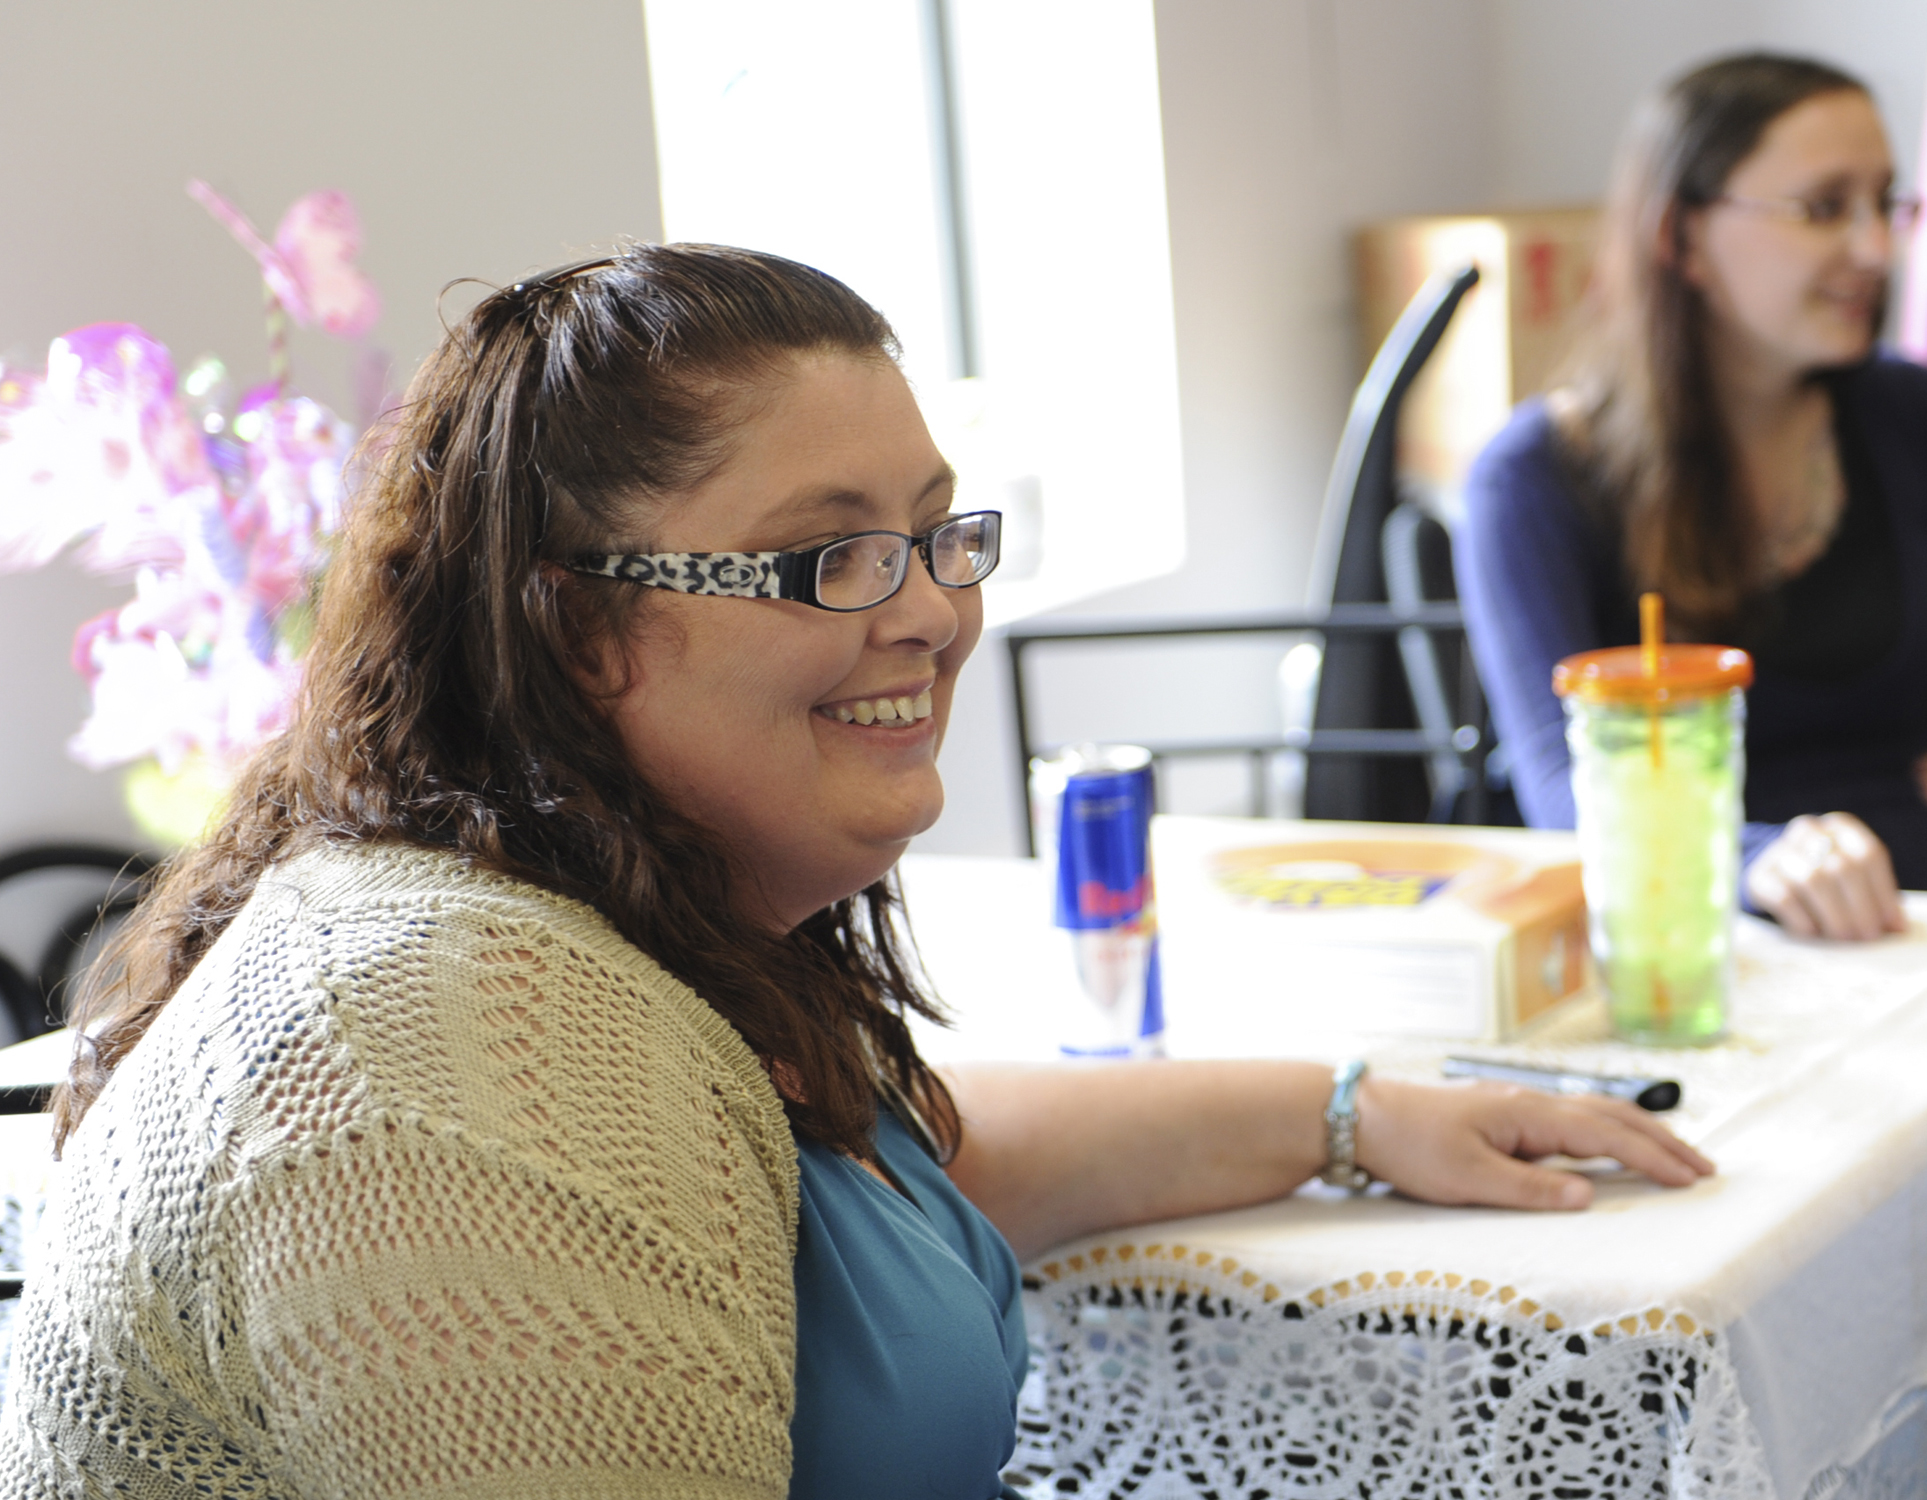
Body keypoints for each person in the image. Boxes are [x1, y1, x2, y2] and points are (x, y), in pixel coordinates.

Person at [0, 246, 1711, 1498]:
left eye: (939, 533)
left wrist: (1352, 1112)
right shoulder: (449, 1039)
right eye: (828, 556)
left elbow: (874, 1173)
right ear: (580, 630)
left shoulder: (612, 929)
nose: (935, 612)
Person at [1456, 53, 1927, 942]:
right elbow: (1565, 798)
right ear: (1681, 237)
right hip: (1709, 944)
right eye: (1824, 208)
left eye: (1886, 204)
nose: (1876, 249)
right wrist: (1755, 858)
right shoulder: (1532, 480)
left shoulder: (1907, 412)